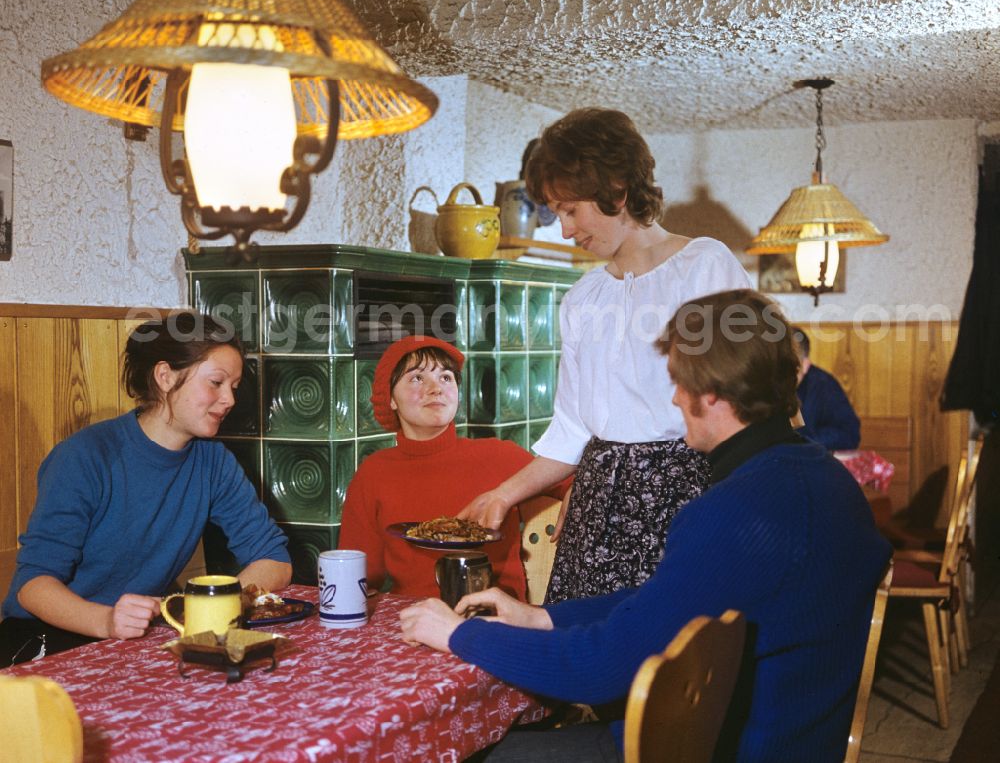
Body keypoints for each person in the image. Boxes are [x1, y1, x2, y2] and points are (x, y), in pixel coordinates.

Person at [401, 289, 892, 762]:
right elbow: (667, 601)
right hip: (793, 739)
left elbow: (604, 668)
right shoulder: (820, 477)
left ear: (715, 395)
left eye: (679, 381)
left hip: (726, 750)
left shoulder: (737, 510)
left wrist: (458, 636)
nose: (674, 399)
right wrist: (541, 617)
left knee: (465, 753)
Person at [461, 107, 752, 602]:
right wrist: (503, 495)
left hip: (688, 499)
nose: (565, 230)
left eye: (571, 210)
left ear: (617, 190)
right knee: (584, 653)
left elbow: (754, 402)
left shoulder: (705, 267)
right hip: (597, 508)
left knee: (675, 660)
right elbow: (573, 430)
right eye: (557, 213)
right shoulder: (581, 300)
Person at [0, 312, 292, 668]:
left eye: (233, 386)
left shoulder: (213, 461)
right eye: (216, 382)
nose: (229, 399)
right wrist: (106, 621)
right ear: (165, 376)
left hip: (135, 644)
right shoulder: (85, 456)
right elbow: (32, 586)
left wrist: (215, 603)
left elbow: (274, 560)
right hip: (46, 643)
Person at [339, 335, 557, 599]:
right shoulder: (373, 473)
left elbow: (586, 486)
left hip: (495, 620)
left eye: (445, 377)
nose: (436, 389)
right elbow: (359, 578)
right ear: (390, 398)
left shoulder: (501, 456)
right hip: (412, 618)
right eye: (417, 378)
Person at [793, 326, 861, 451]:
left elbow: (850, 435)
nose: (783, 377)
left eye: (792, 369)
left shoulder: (823, 385)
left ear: (805, 365)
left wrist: (804, 441)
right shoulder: (765, 382)